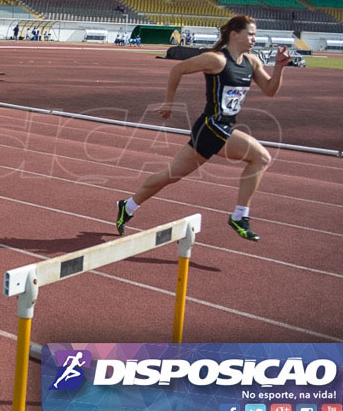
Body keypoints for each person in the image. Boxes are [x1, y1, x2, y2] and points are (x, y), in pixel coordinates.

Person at [114, 15, 291, 242]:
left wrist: (279, 67)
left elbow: (270, 89)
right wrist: (169, 101)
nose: (254, 38)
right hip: (212, 126)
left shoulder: (252, 62)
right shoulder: (216, 60)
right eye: (251, 34)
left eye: (255, 34)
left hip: (219, 128)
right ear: (234, 34)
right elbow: (177, 69)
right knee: (261, 158)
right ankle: (240, 216)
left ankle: (126, 206)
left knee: (170, 175)